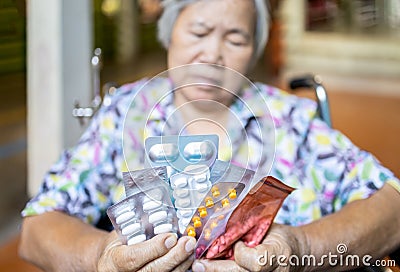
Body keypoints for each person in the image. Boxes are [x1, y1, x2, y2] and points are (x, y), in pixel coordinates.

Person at [19, 0, 400, 271]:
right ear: (170, 33)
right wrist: (101, 257)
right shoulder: (125, 113)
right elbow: (37, 228)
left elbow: (392, 204)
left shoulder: (289, 120)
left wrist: (301, 249)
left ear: (253, 51)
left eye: (235, 39)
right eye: (199, 31)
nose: (213, 54)